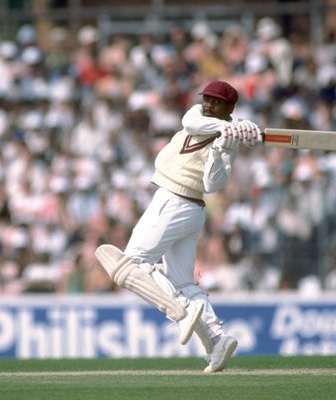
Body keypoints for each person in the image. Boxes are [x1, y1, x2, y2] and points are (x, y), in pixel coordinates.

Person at [95, 80, 259, 372]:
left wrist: (223, 149)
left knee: (131, 263)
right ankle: (217, 340)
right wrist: (225, 129)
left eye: (216, 102)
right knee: (183, 281)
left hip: (176, 201)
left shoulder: (228, 141)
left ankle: (178, 310)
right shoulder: (198, 117)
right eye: (207, 99)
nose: (208, 104)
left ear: (229, 108)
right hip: (186, 210)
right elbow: (191, 122)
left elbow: (213, 184)